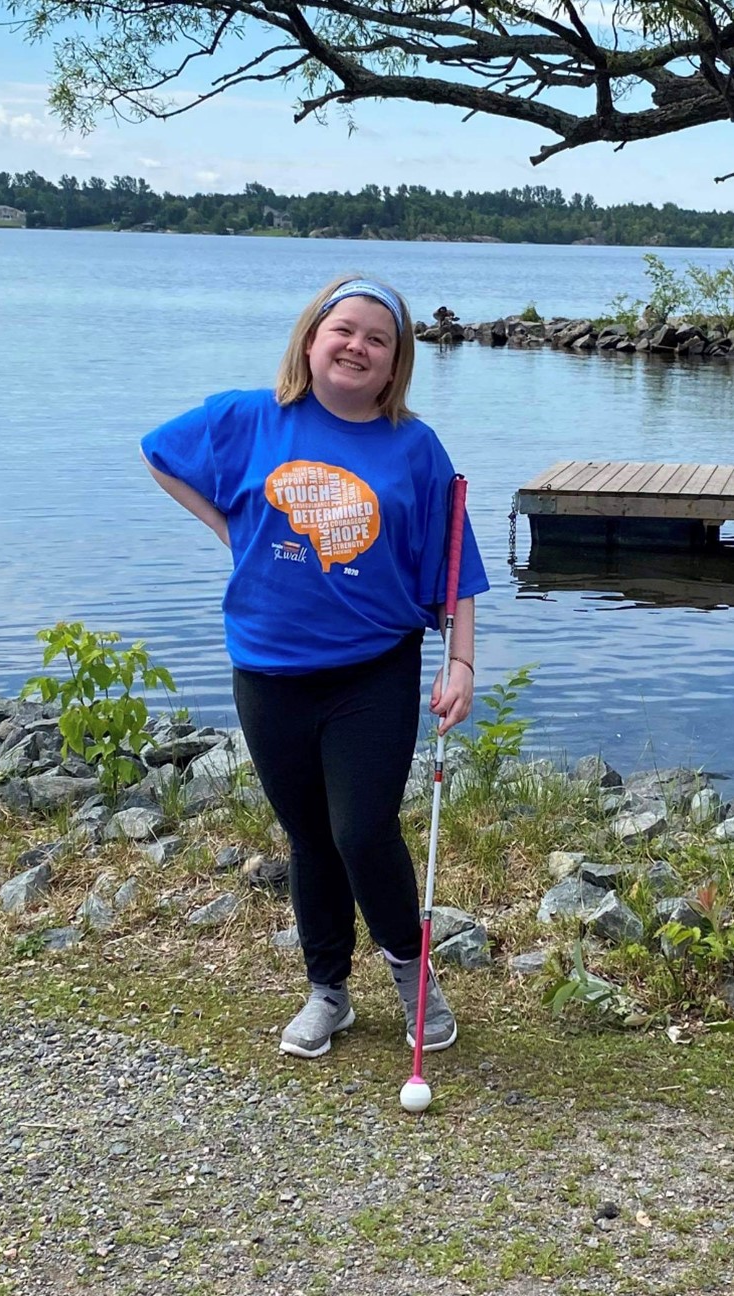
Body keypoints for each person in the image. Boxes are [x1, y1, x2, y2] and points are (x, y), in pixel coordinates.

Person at [141, 274, 489, 1060]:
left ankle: (412, 976)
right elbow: (159, 453)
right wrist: (228, 527)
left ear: (395, 363)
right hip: (268, 671)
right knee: (309, 838)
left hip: (374, 669)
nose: (357, 346)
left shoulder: (415, 448)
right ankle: (327, 992)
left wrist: (461, 659)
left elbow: (453, 563)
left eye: (378, 339)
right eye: (345, 330)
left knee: (363, 832)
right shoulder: (249, 419)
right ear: (311, 338)